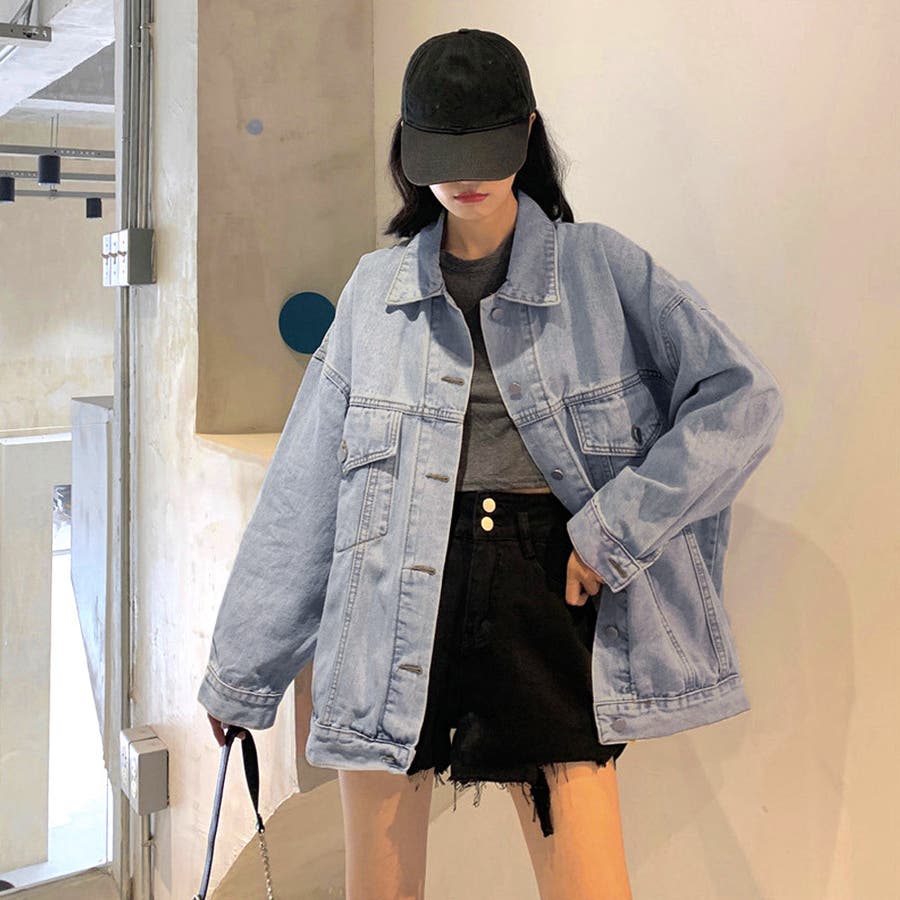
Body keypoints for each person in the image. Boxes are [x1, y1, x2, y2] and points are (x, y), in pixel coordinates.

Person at [201, 27, 783, 900]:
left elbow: (741, 398)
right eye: (445, 151)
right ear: (409, 150)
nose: (467, 175)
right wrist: (243, 670)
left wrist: (614, 532)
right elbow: (306, 485)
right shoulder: (373, 292)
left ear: (529, 134)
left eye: (489, 148)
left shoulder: (601, 268)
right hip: (391, 597)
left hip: (544, 594)